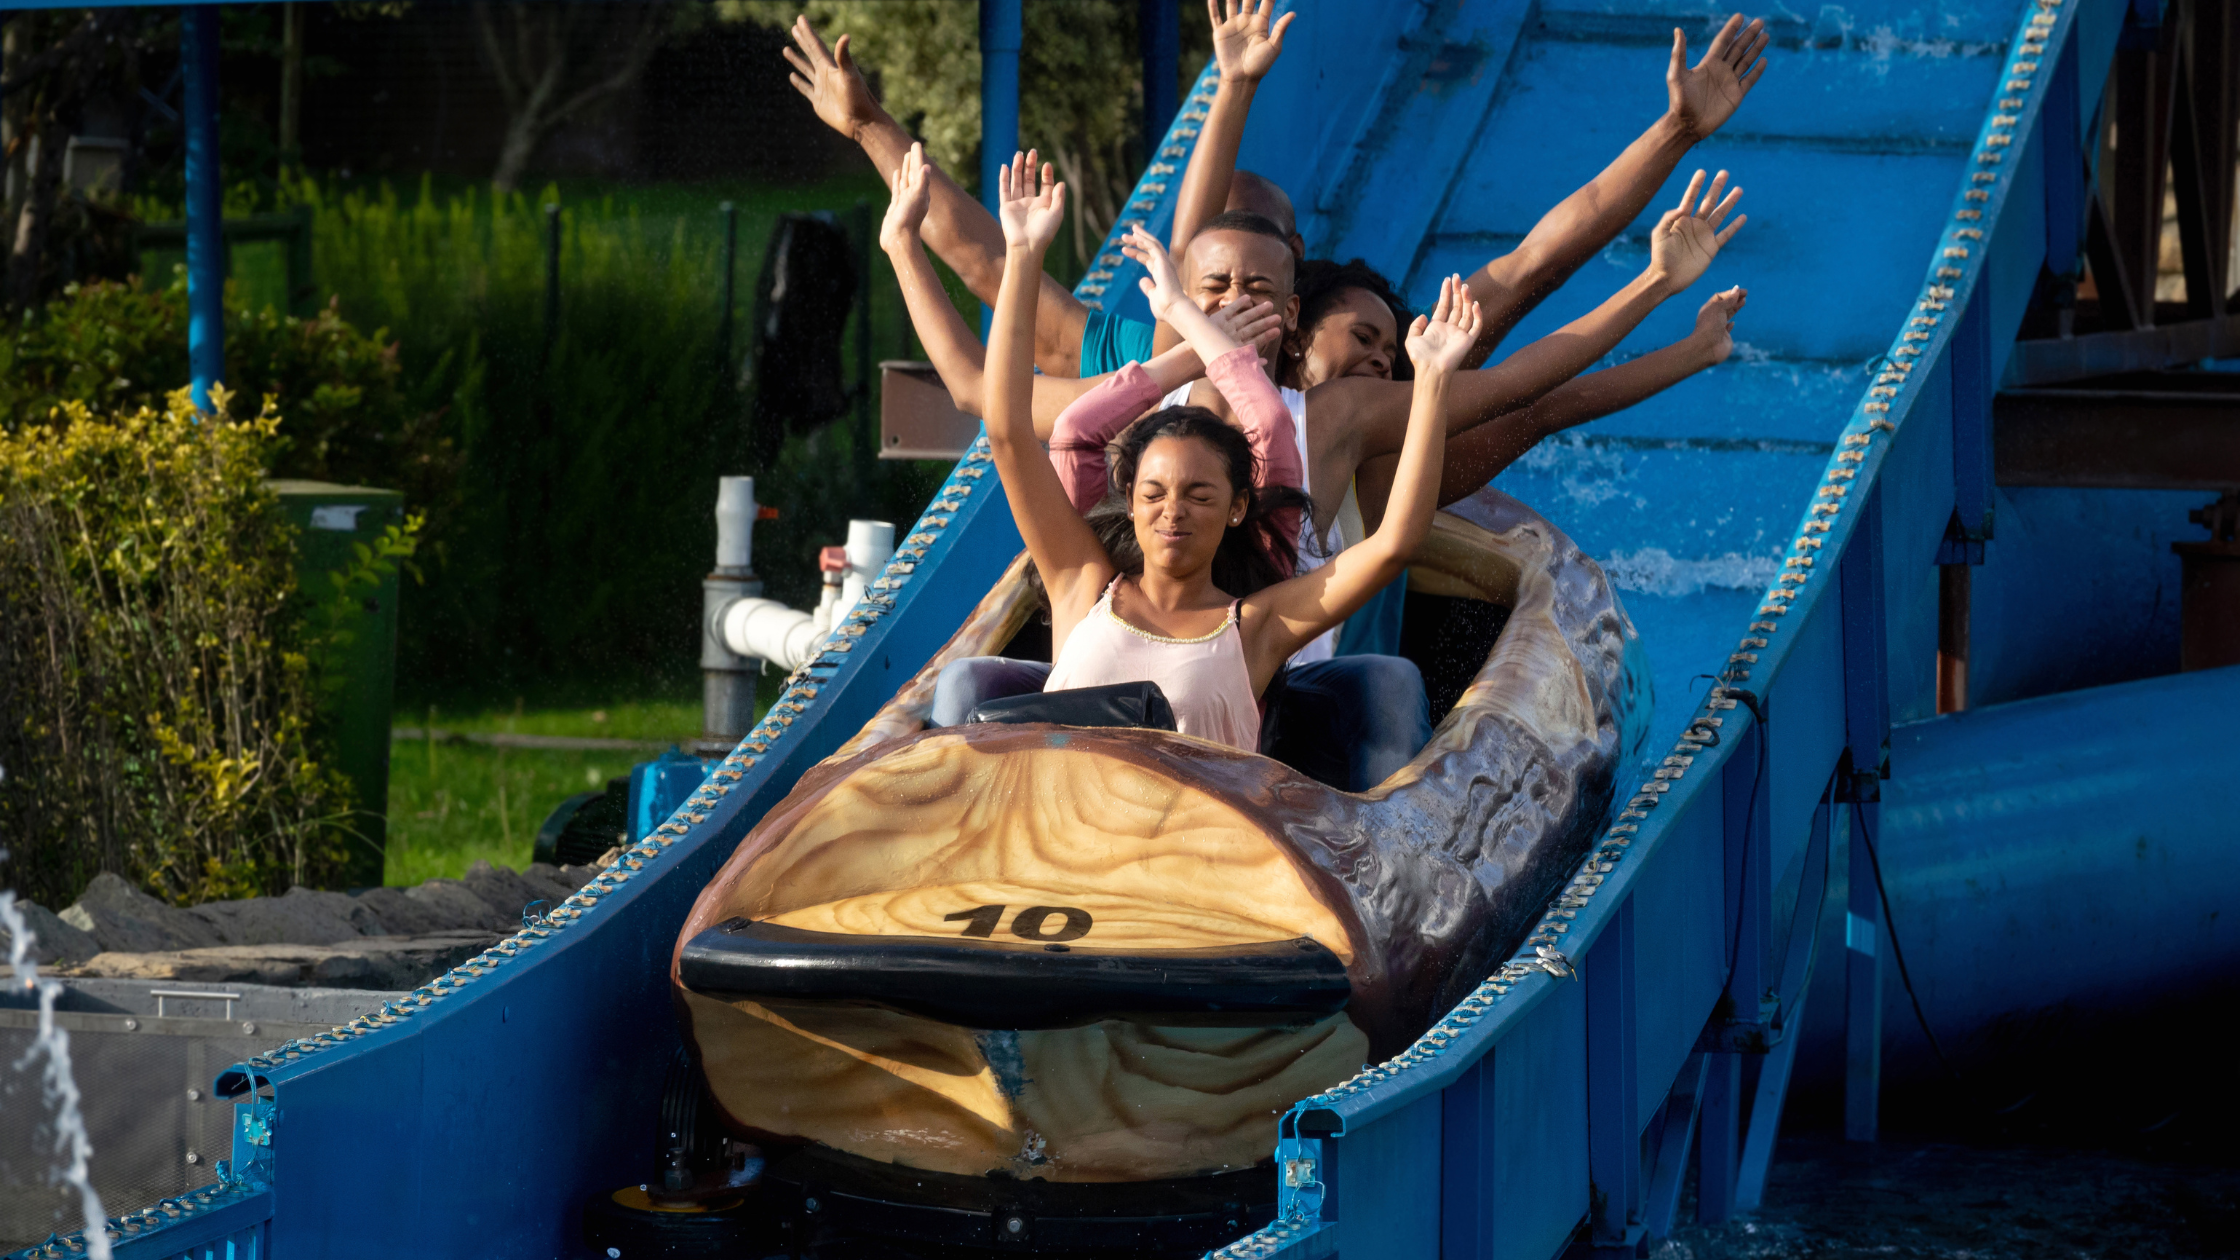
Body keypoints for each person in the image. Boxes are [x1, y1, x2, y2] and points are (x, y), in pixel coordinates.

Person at [967, 149, 1480, 765]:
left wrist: (1431, 383)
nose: (1172, 512)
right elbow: (1007, 428)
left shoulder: (1256, 627)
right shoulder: (1081, 582)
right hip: (1066, 834)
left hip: (1195, 845)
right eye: (1153, 494)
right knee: (963, 689)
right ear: (1129, 501)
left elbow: (1393, 540)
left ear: (1239, 508)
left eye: (1199, 494)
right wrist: (1023, 257)